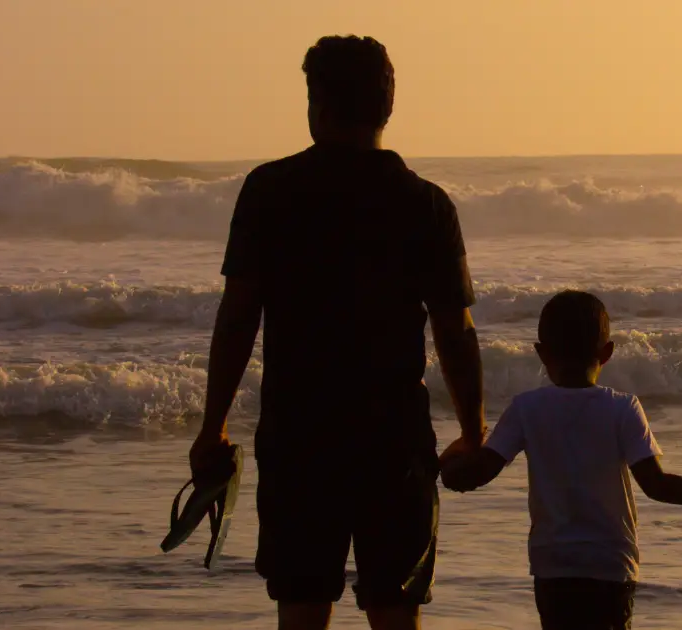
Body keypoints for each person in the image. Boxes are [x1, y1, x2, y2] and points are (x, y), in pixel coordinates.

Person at [189, 35, 486, 630]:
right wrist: (474, 430)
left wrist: (213, 426)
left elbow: (238, 315)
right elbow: (455, 329)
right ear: (388, 106)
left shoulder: (271, 190)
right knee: (395, 606)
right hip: (394, 436)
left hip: (300, 431)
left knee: (301, 604)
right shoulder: (425, 204)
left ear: (317, 103)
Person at [441, 290, 682, 630]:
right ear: (607, 352)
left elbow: (475, 474)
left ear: (541, 353)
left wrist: (445, 462)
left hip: (554, 568)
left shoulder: (526, 409)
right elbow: (657, 485)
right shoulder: (623, 408)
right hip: (611, 565)